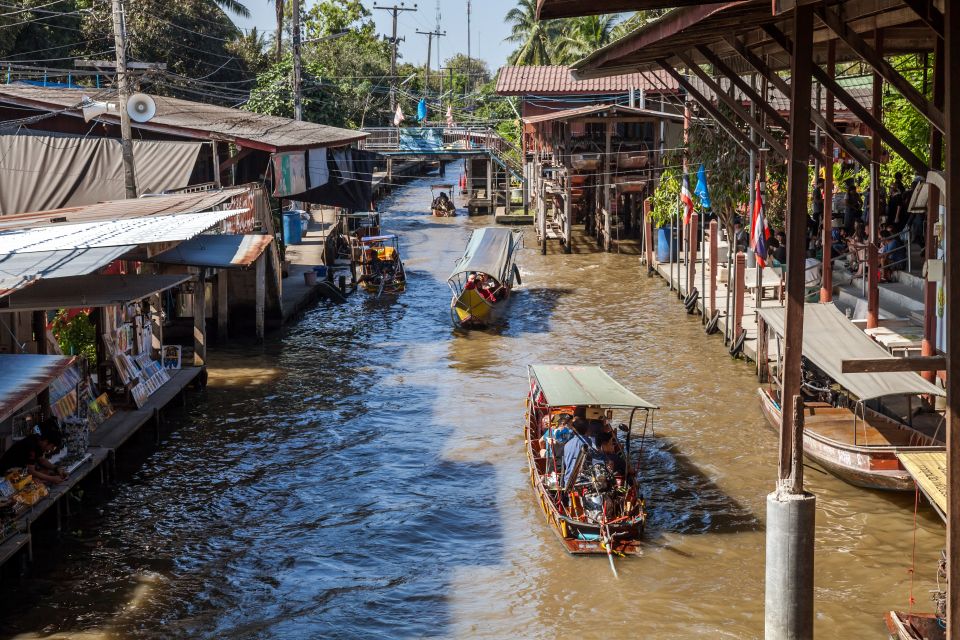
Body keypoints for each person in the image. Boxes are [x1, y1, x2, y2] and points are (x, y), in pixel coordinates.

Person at [0, 418, 67, 485]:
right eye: (52, 446)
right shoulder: (31, 444)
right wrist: (51, 479)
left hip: (18, 472)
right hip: (6, 474)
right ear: (46, 442)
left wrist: (56, 469)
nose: (52, 449)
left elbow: (42, 460)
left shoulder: (39, 443)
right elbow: (31, 471)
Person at [562, 417, 597, 488]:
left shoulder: (567, 444)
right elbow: (595, 457)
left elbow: (566, 464)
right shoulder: (588, 442)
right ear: (587, 430)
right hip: (582, 482)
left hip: (568, 482)